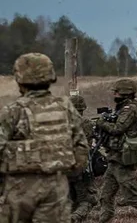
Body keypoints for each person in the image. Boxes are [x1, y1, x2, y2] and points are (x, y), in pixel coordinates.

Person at [0, 52, 89, 223]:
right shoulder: (66, 108)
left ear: (19, 79)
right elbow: (81, 150)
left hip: (19, 189)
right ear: (51, 77)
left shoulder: (13, 111)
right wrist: (64, 175)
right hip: (56, 188)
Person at [93, 78, 137, 222]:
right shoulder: (122, 109)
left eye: (116, 92)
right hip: (115, 158)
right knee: (105, 196)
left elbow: (118, 129)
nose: (114, 95)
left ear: (125, 94)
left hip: (123, 159)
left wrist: (102, 123)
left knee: (132, 197)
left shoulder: (130, 109)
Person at [67, 93, 98, 222]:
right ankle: (74, 218)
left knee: (70, 200)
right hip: (81, 167)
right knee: (89, 199)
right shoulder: (86, 123)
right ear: (82, 109)